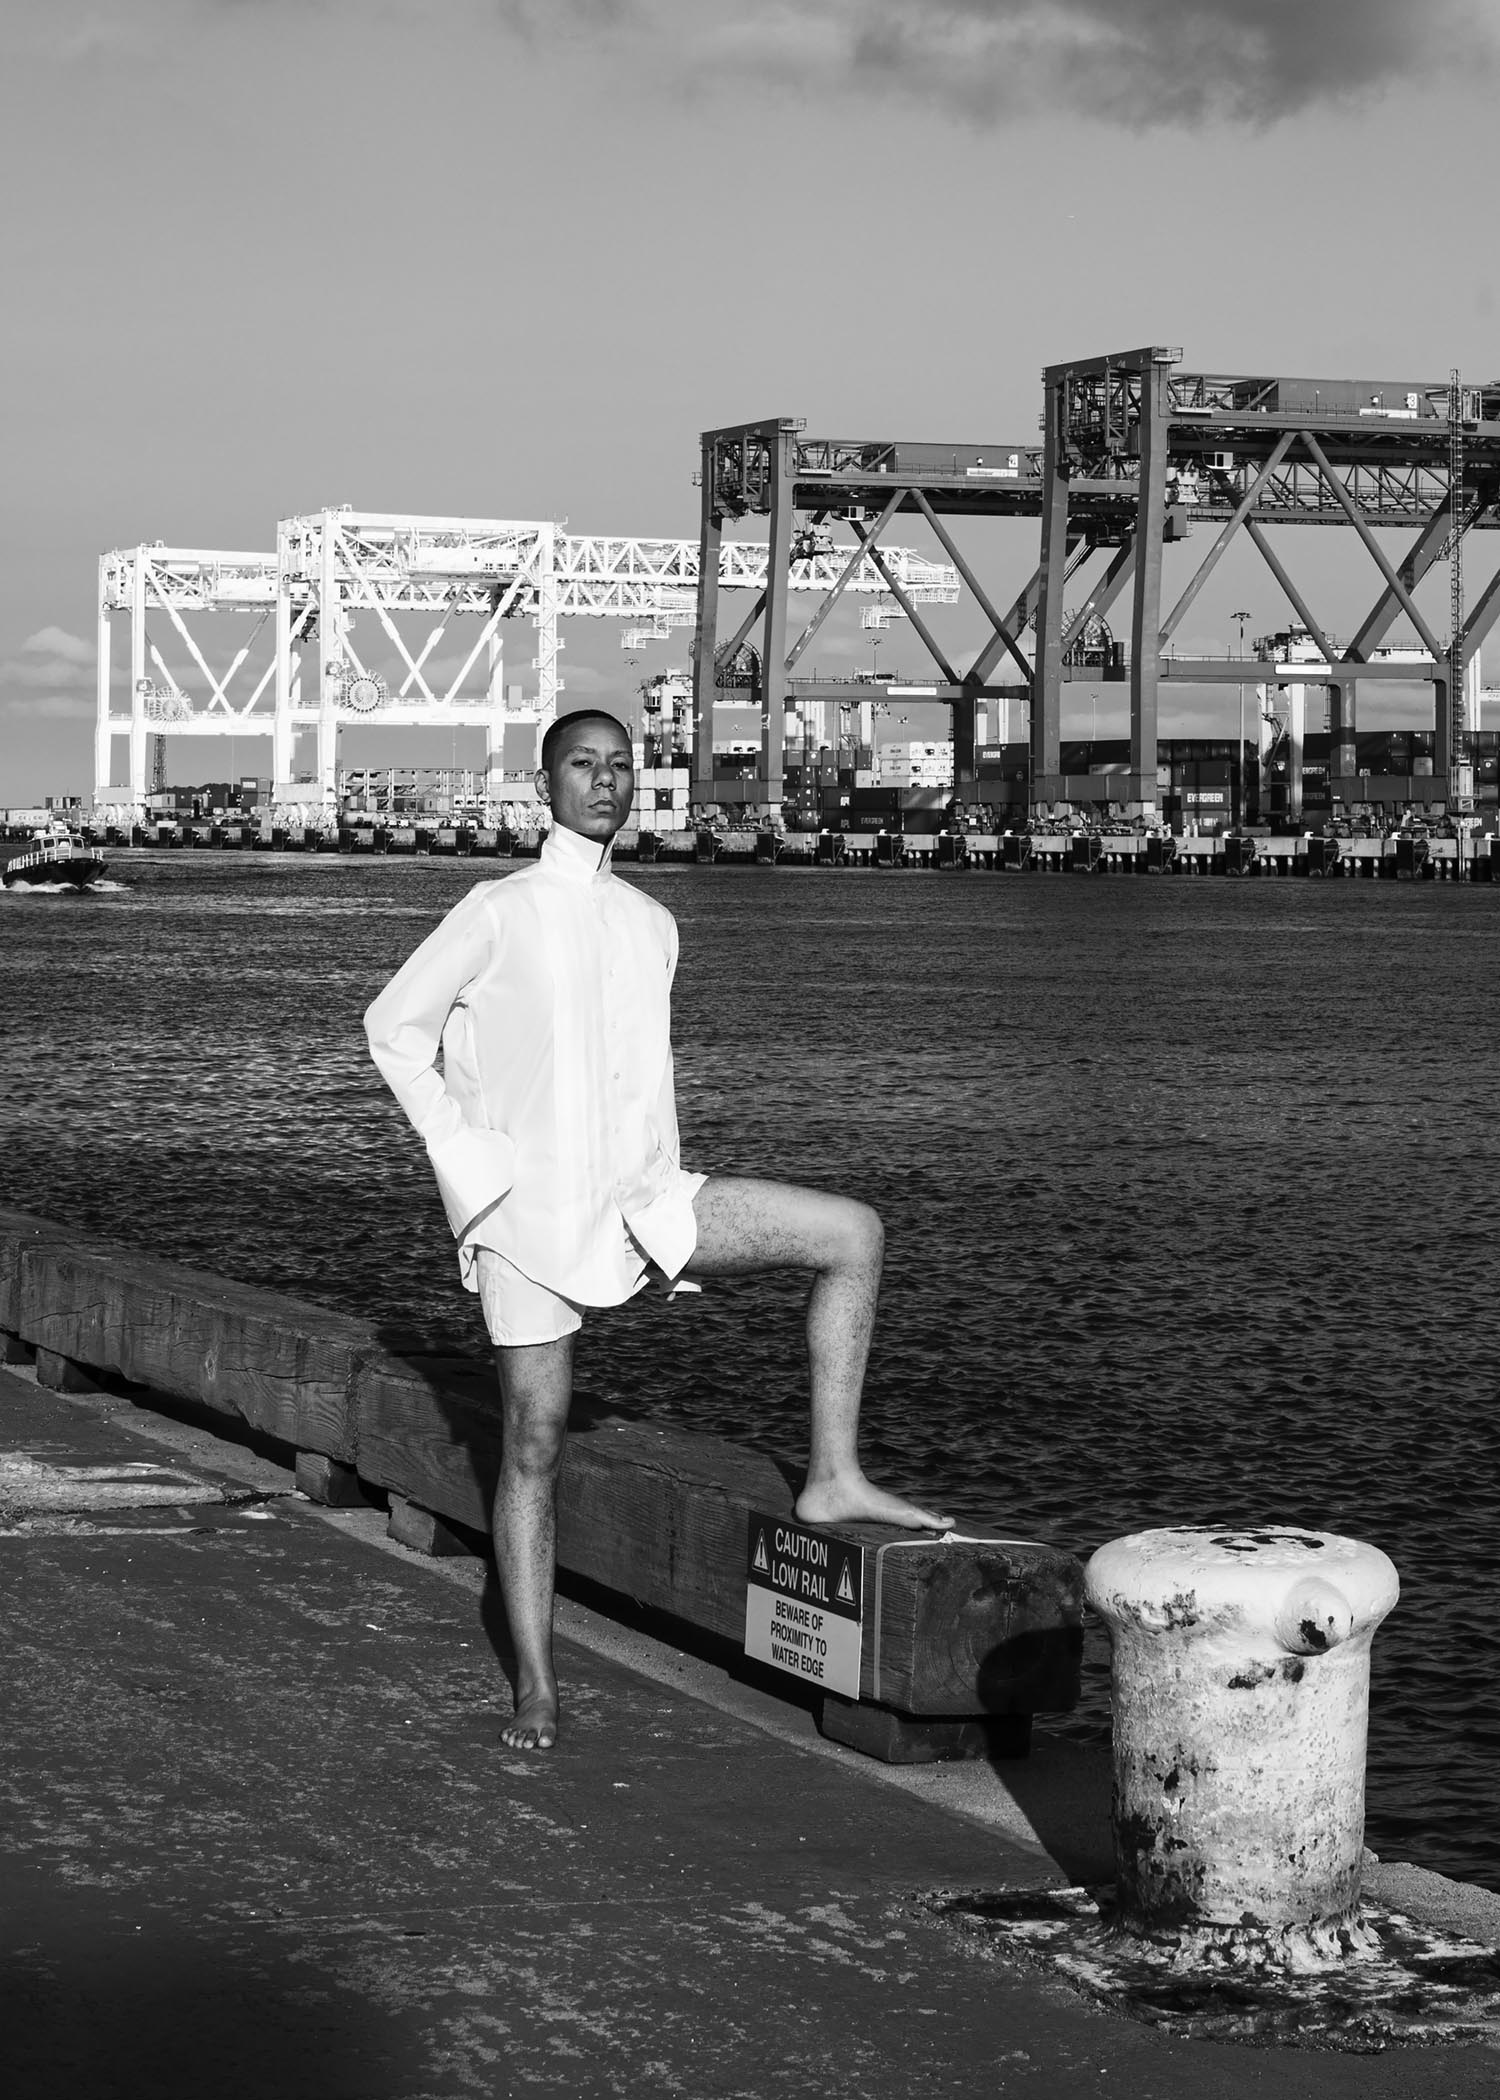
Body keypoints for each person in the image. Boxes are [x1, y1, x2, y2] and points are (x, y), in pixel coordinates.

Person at [364, 709, 950, 1752]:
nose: (606, 781)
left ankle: (831, 1476)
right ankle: (536, 1684)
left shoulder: (651, 921)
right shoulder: (495, 909)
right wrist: (470, 1160)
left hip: (645, 1198)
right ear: (544, 786)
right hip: (525, 1215)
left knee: (851, 1234)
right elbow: (392, 1028)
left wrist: (666, 1202)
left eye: (621, 766)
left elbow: (647, 1086)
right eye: (583, 766)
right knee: (535, 1439)